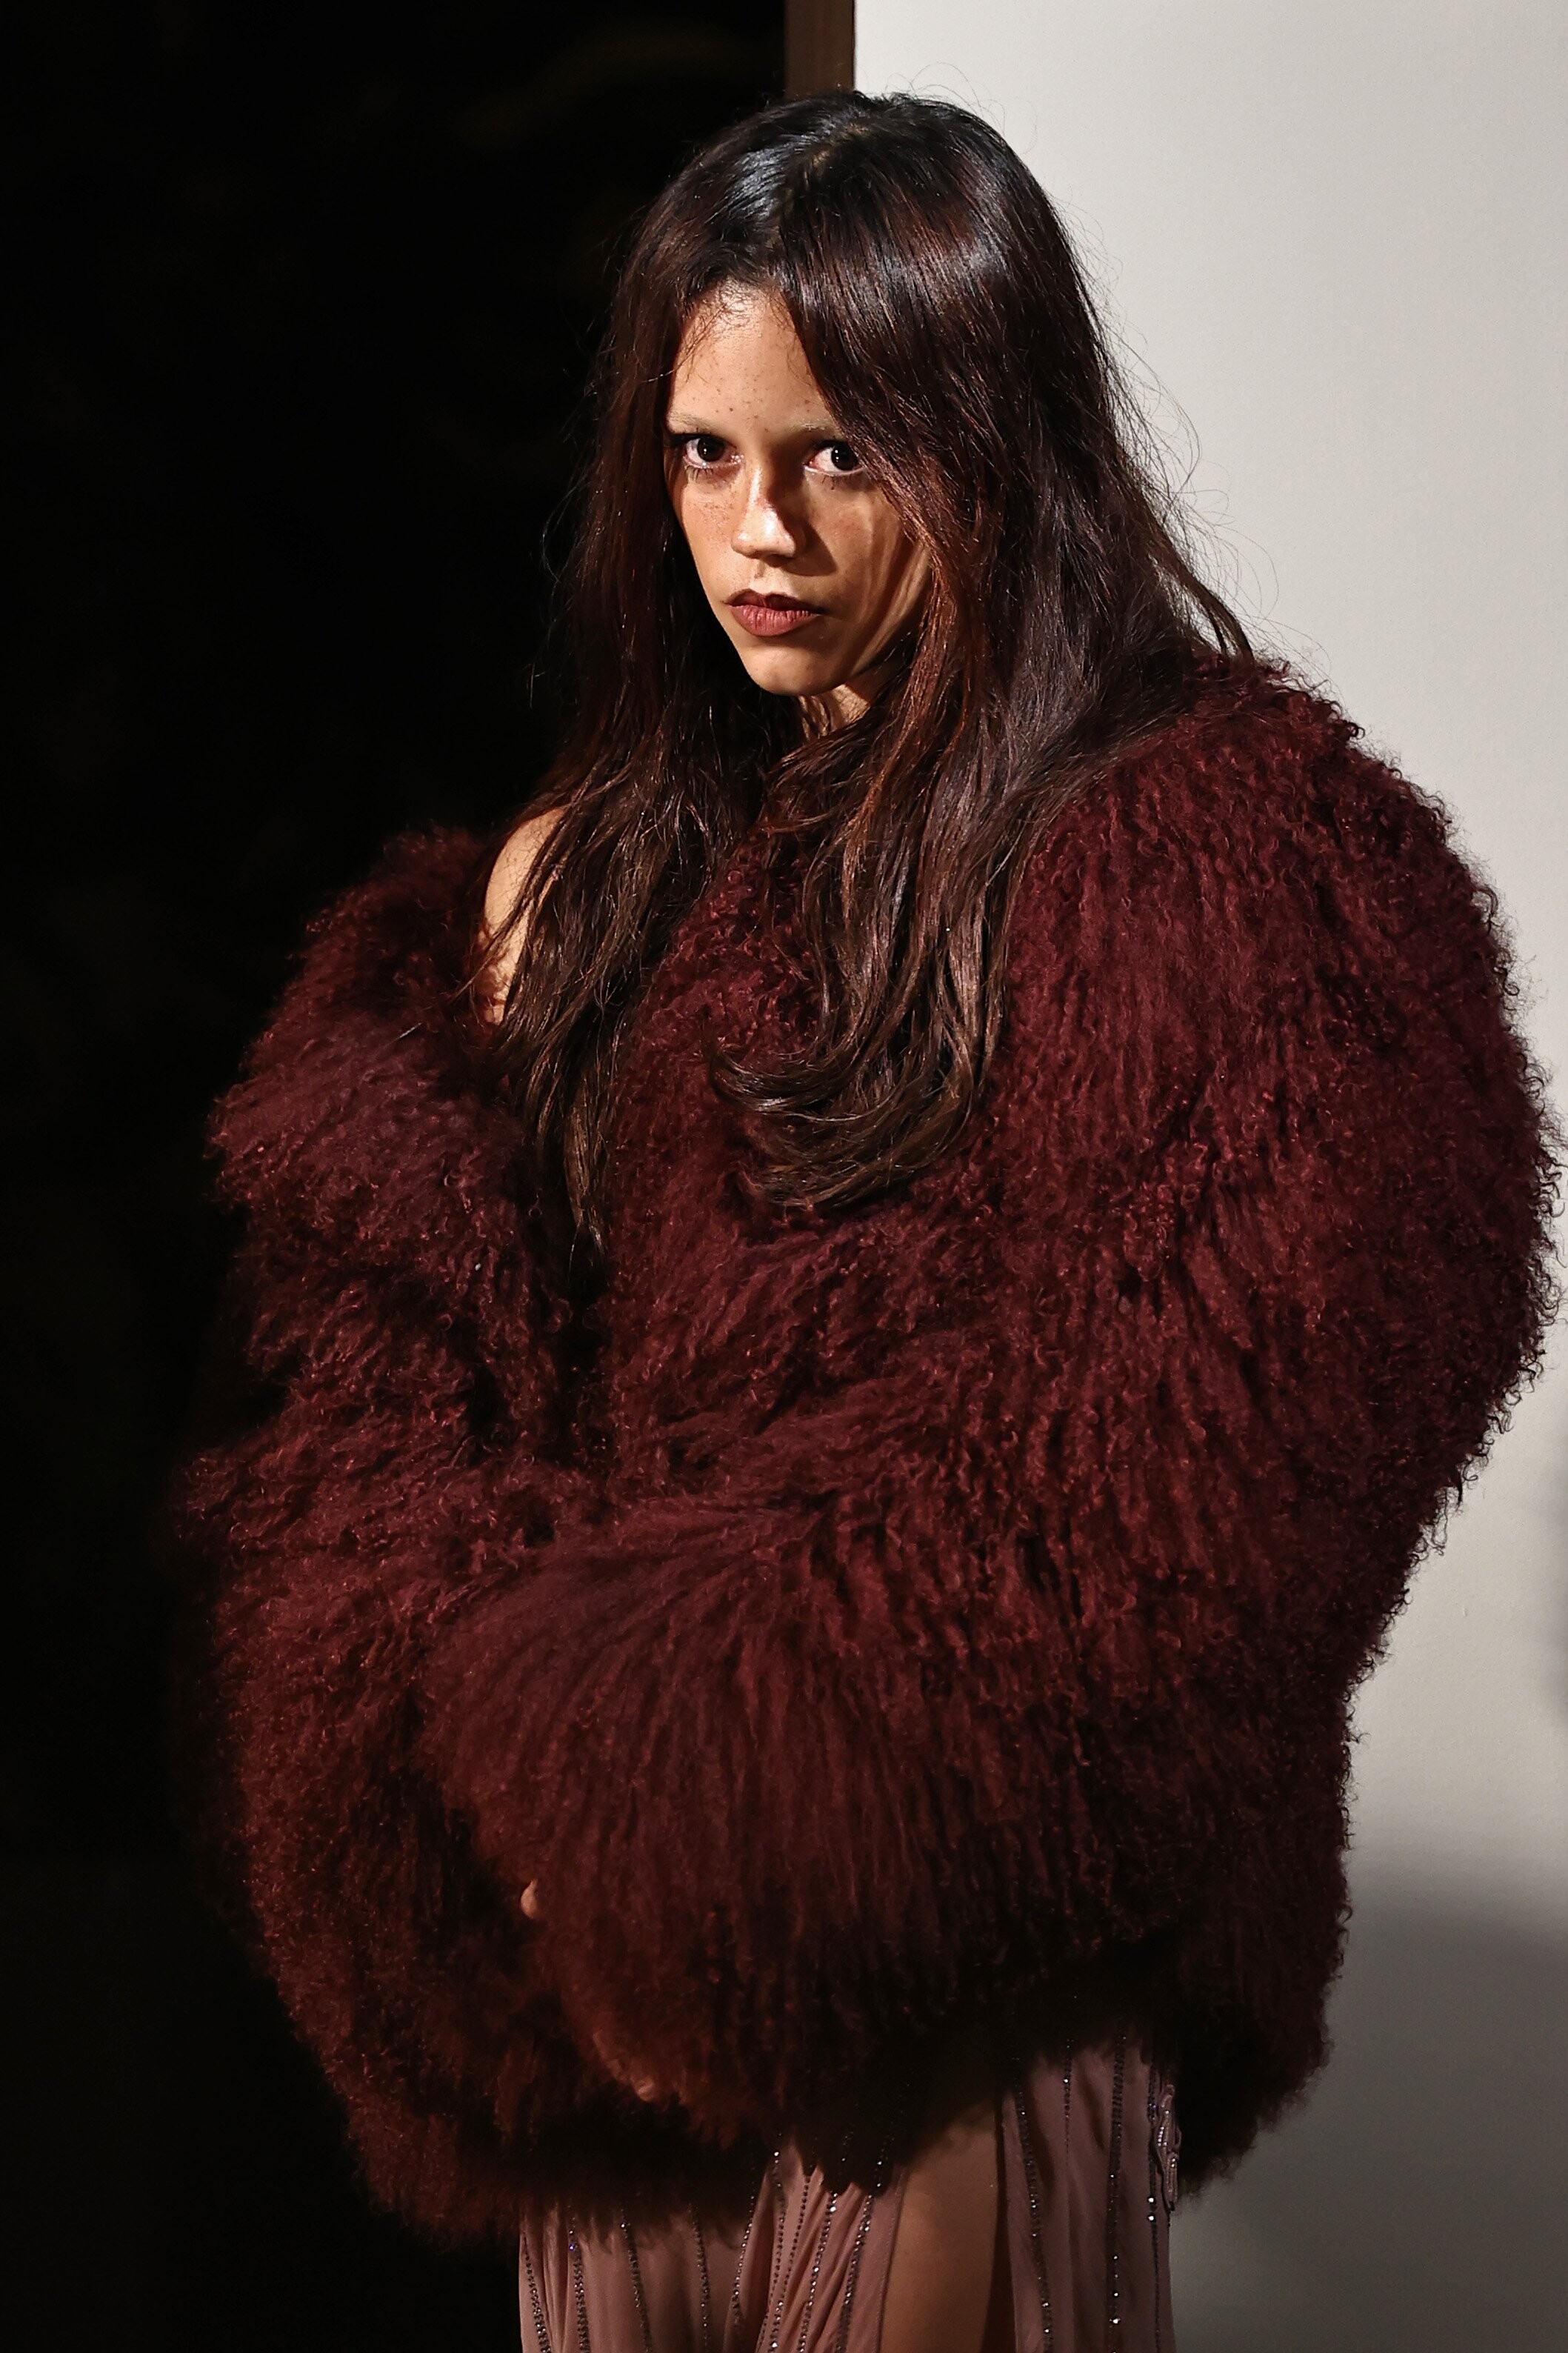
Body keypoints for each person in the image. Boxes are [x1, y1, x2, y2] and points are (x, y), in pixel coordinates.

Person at [170, 93, 1556, 2353]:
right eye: (702, 454)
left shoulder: (1225, 865)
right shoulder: (585, 883)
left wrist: (727, 1811)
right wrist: (531, 1830)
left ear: (994, 442)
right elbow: (396, 1409)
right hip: (606, 2034)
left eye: (839, 454)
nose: (759, 530)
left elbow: (1214, 1457)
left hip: (959, 2009)